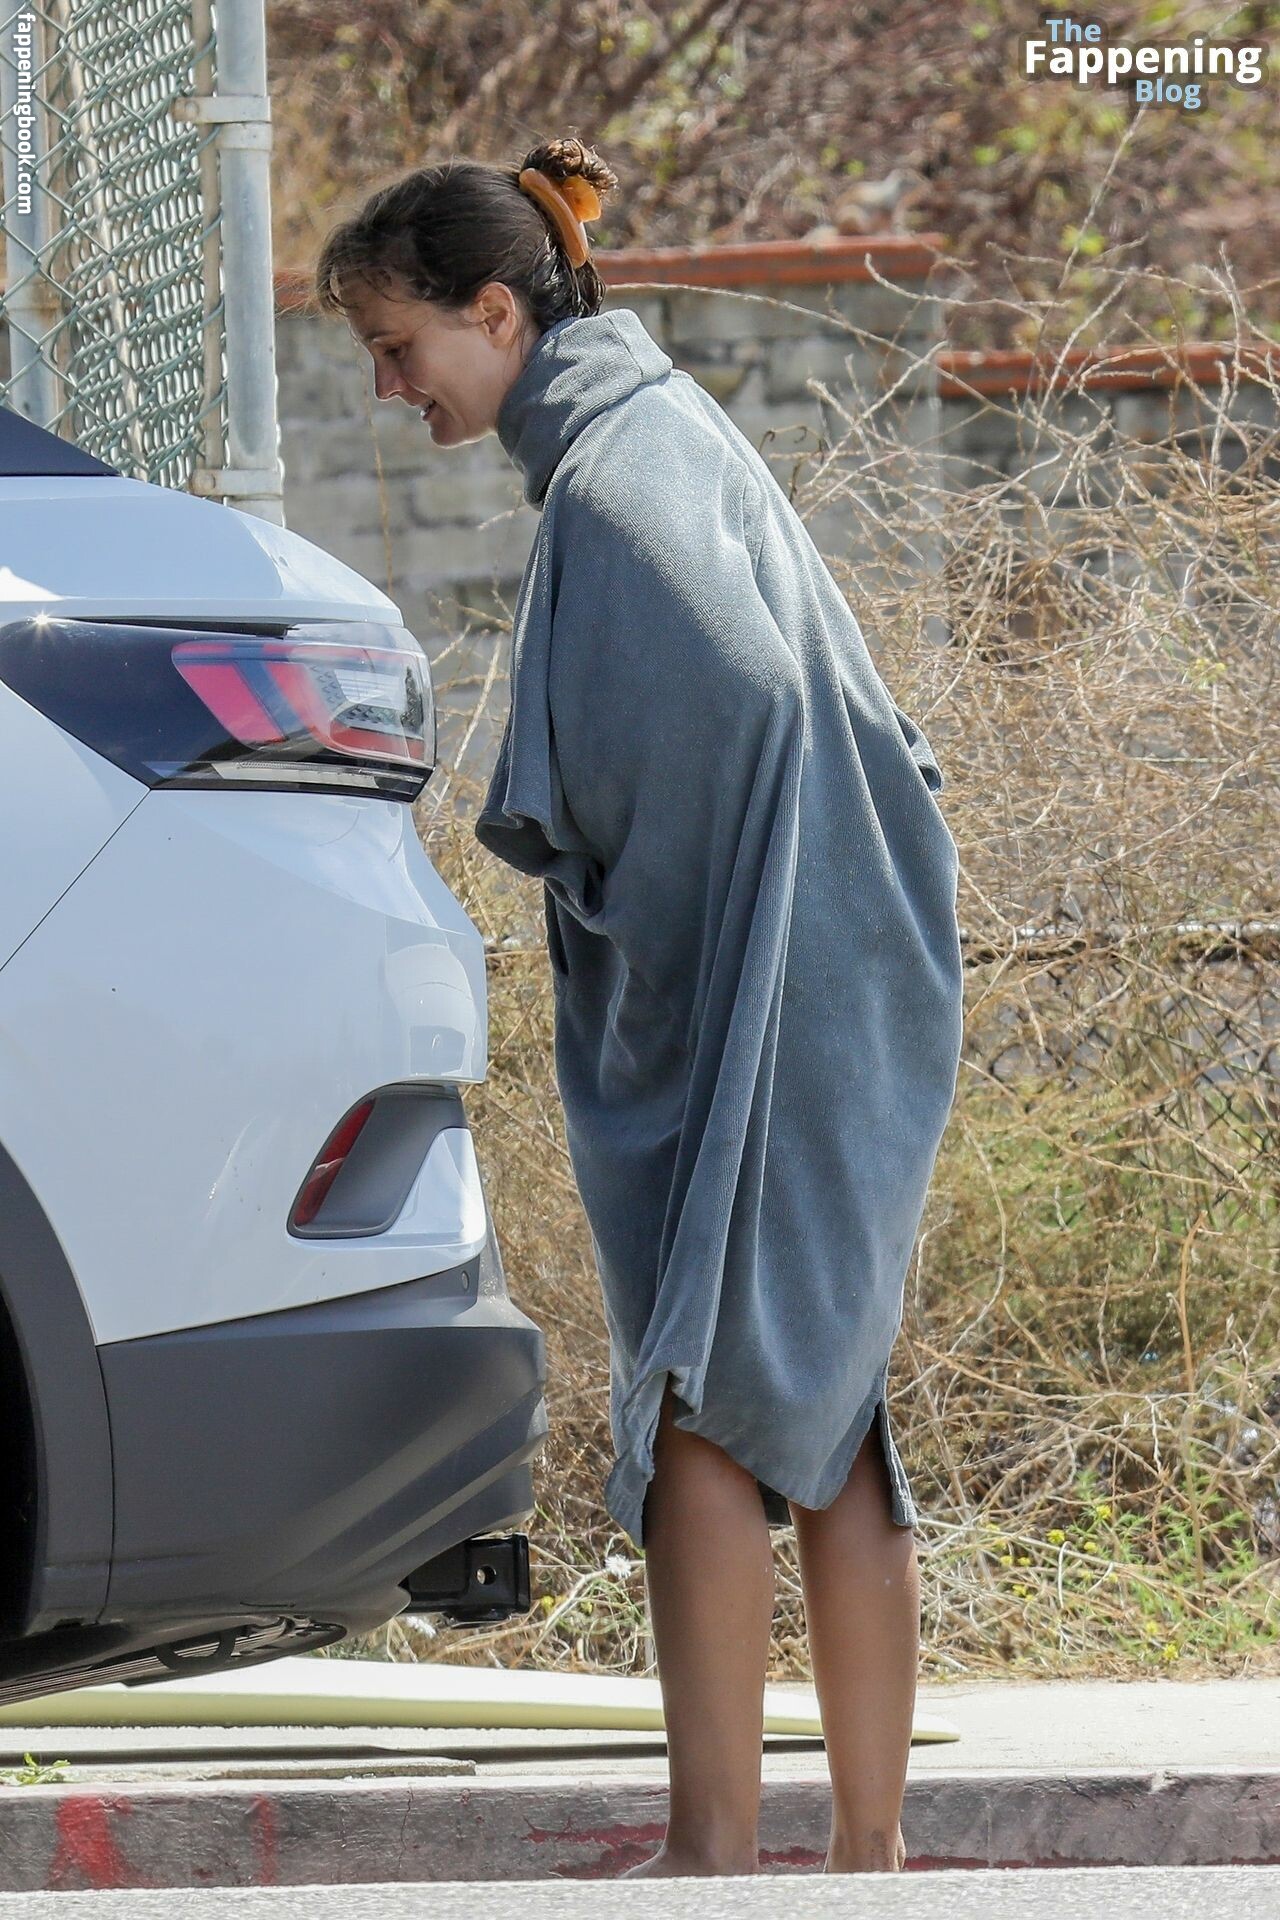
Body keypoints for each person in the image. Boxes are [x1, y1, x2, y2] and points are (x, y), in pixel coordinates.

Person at [314, 134, 964, 1881]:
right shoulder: (652, 430)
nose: (389, 389)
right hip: (845, 972)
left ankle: (711, 1860)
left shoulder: (612, 480)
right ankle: (868, 1859)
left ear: (496, 312)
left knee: (699, 1401)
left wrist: (640, 889)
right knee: (829, 1405)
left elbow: (744, 702)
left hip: (772, 987)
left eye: (399, 347)